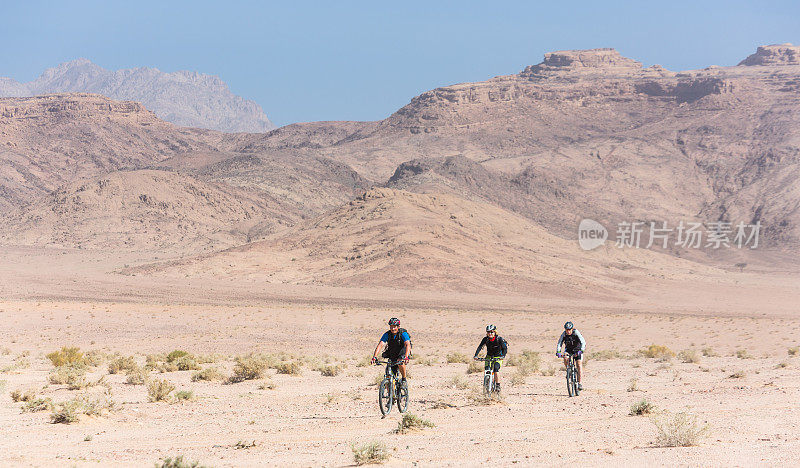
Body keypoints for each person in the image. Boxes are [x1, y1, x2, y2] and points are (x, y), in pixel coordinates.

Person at [371, 317, 411, 382]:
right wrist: (374, 357)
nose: (393, 329)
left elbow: (407, 344)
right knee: (388, 374)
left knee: (400, 362)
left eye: (394, 327)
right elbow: (380, 344)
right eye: (391, 326)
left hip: (403, 351)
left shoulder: (403, 333)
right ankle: (389, 389)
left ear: (398, 327)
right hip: (393, 351)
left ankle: (404, 379)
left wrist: (406, 357)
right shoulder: (387, 334)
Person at [473, 324, 507, 392]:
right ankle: (487, 384)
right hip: (489, 357)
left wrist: (503, 356)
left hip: (498, 357)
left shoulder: (499, 339)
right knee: (487, 370)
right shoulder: (485, 339)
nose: (490, 333)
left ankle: (497, 385)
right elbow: (480, 347)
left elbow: (505, 348)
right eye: (488, 332)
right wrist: (476, 355)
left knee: (496, 369)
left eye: (492, 332)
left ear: (495, 332)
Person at [556, 321, 586, 390]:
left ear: (572, 329)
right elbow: (559, 343)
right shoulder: (564, 334)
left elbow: (583, 341)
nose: (568, 331)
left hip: (577, 350)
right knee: (565, 357)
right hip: (569, 350)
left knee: (579, 364)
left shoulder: (576, 332)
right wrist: (558, 351)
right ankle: (568, 370)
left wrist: (581, 350)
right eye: (567, 330)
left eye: (569, 330)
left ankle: (579, 383)